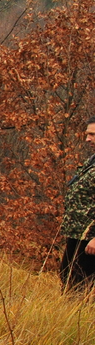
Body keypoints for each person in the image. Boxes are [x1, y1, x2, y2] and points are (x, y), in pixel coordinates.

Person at [60, 118, 95, 291]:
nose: (87, 139)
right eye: (87, 134)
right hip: (76, 232)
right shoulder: (92, 161)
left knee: (81, 282)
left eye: (92, 134)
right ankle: (66, 315)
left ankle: (80, 317)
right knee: (67, 275)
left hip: (90, 237)